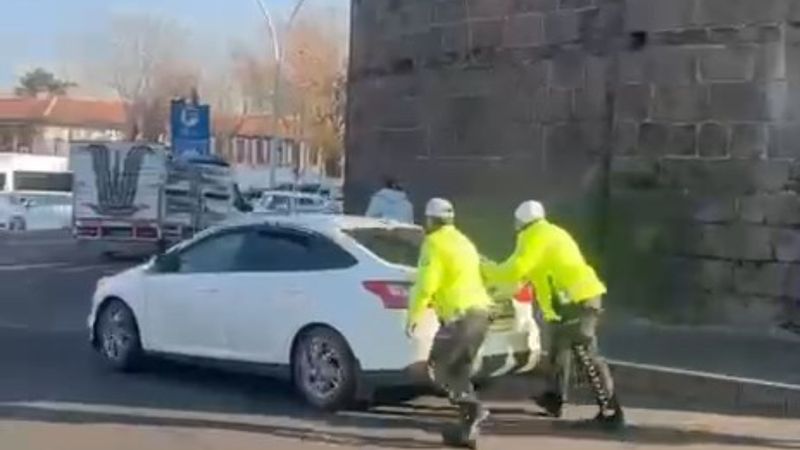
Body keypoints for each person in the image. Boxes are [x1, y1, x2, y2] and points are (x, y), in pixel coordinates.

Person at [482, 200, 624, 430]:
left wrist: (485, 269)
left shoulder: (534, 237)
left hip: (575, 302)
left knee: (586, 355)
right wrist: (496, 283)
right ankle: (554, 398)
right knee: (560, 352)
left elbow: (514, 270)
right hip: (571, 303)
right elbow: (520, 274)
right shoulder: (549, 233)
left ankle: (611, 413)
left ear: (520, 222)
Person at [406, 198, 492, 448]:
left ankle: (474, 409)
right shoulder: (464, 241)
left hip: (460, 318)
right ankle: (466, 434)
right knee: (460, 371)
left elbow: (426, 283)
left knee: (437, 368)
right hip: (480, 316)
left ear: (430, 220)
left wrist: (414, 315)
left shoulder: (434, 243)